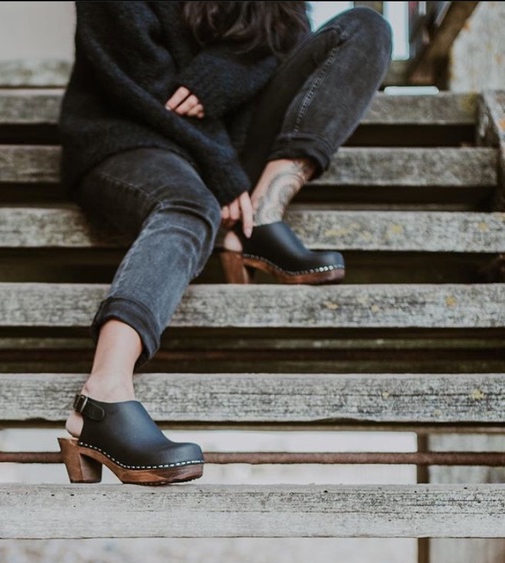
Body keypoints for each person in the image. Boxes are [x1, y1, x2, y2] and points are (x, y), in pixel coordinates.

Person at [57, 1, 392, 485]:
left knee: (365, 27)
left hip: (231, 145)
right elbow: (136, 77)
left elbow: (285, 34)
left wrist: (226, 72)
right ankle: (102, 398)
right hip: (129, 134)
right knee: (189, 207)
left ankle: (263, 215)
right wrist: (221, 170)